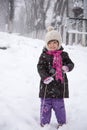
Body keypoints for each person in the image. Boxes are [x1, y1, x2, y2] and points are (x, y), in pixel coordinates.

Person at [37, 26, 74, 129]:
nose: (52, 45)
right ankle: (45, 123)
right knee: (45, 106)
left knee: (59, 106)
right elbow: (40, 67)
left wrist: (67, 67)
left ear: (59, 43)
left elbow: (71, 64)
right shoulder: (44, 55)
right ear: (46, 44)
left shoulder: (63, 55)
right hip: (46, 87)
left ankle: (62, 123)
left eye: (54, 43)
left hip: (59, 87)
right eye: (49, 43)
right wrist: (45, 77)